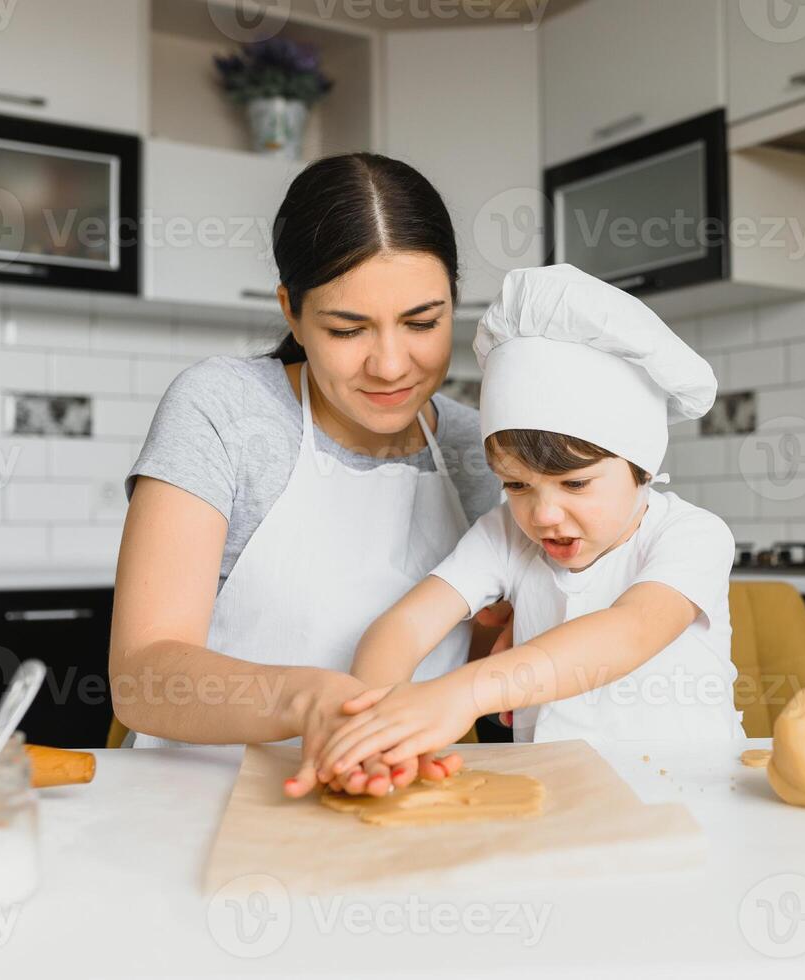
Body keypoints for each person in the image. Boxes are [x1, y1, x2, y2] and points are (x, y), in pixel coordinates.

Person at [108, 153, 506, 796]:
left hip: (406, 807)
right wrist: (308, 702)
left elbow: (494, 664)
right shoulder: (224, 409)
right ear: (291, 312)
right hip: (197, 803)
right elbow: (143, 676)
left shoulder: (479, 447)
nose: (390, 364)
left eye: (423, 323)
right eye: (349, 329)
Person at [297, 264, 746, 786]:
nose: (543, 514)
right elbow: (404, 626)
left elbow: (627, 632)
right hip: (554, 795)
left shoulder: (692, 536)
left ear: (641, 468)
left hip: (691, 793)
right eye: (516, 485)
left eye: (574, 484)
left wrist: (464, 692)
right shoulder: (504, 535)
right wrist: (374, 726)